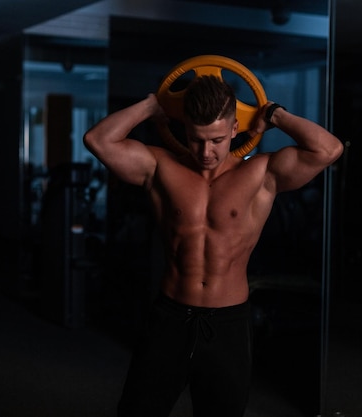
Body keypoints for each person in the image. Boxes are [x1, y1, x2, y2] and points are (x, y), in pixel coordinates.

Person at [83, 74, 344, 417]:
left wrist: (274, 114)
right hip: (170, 318)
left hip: (228, 325)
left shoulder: (261, 175)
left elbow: (329, 149)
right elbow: (97, 140)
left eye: (217, 139)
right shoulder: (160, 167)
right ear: (184, 130)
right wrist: (151, 105)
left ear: (235, 128)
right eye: (196, 139)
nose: (207, 152)